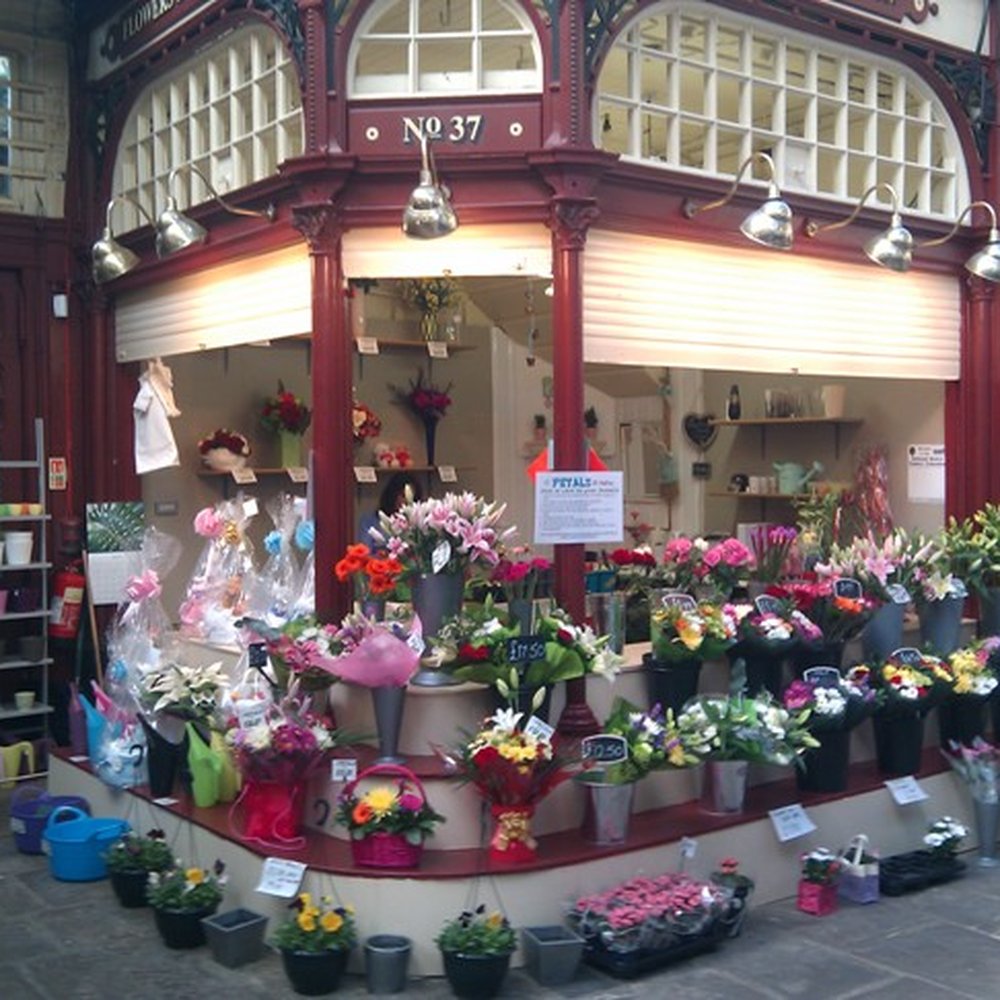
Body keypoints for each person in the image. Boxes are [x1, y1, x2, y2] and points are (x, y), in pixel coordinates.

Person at [358, 471, 424, 544]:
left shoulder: (417, 527)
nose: (405, 500)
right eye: (402, 495)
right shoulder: (370, 521)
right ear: (392, 494)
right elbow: (365, 549)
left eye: (410, 497)